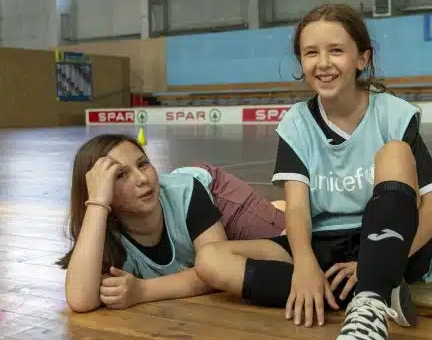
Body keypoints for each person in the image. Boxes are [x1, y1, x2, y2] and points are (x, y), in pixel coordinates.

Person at [195, 3, 432, 340]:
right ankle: (375, 290)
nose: (323, 63)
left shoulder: (394, 114)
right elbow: (296, 209)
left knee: (395, 153)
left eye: (336, 50)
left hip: (386, 237)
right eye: (311, 53)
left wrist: (373, 262)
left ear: (362, 58)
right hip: (321, 244)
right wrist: (305, 265)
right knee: (210, 260)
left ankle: (370, 300)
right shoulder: (296, 122)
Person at [58, 133, 285, 313]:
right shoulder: (100, 225)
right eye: (120, 175)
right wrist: (98, 203)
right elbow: (80, 300)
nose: (142, 179)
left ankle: (276, 210)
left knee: (287, 246)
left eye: (143, 164)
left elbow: (216, 272)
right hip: (191, 229)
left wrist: (143, 291)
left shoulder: (187, 192)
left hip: (216, 195)